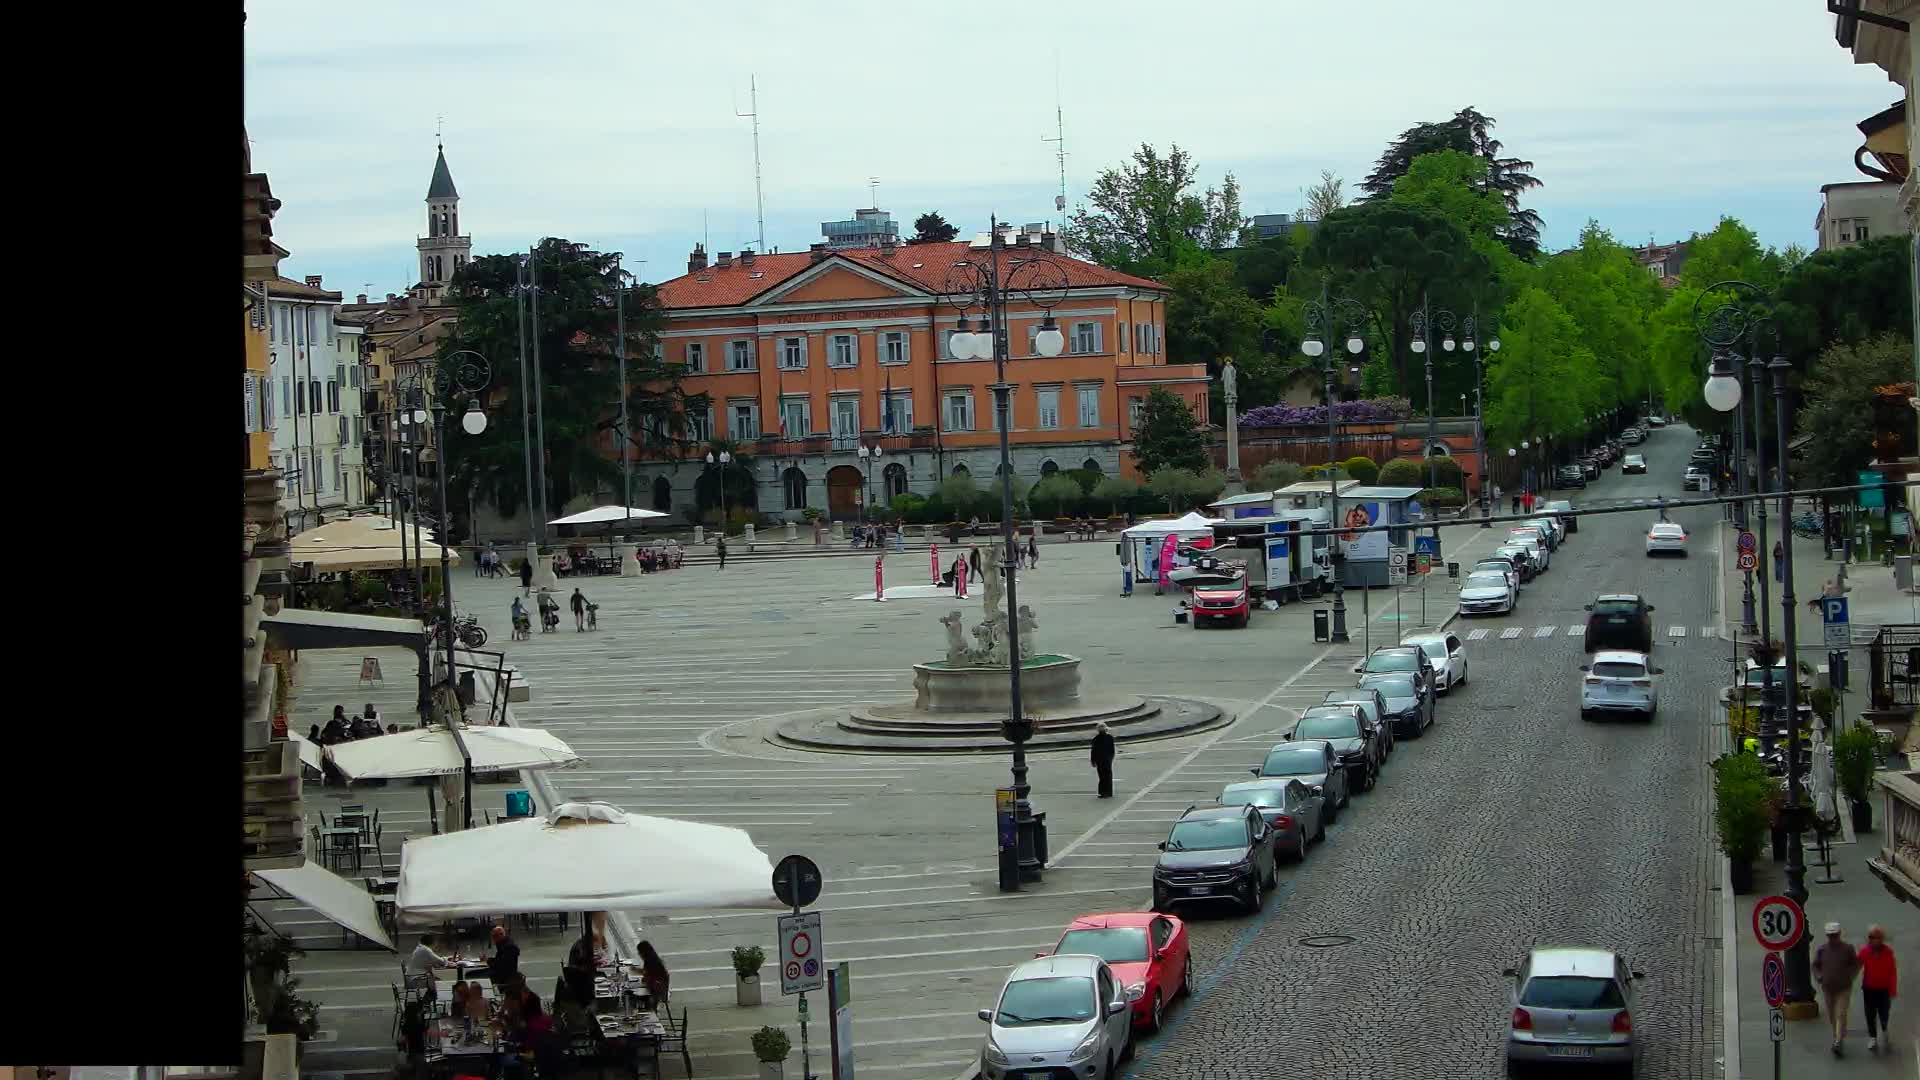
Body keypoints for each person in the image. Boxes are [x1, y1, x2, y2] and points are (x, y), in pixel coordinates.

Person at [1815, 921, 1862, 1055]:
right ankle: (1837, 1036)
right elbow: (1815, 965)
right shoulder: (1822, 950)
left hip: (1844, 988)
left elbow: (1856, 964)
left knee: (1840, 1014)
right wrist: (1819, 976)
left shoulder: (1848, 949)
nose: (1833, 938)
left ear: (1839, 934)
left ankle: (1838, 1041)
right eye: (1830, 935)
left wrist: (1850, 976)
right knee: (1832, 1015)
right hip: (1828, 988)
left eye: (1835, 935)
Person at [1858, 924, 1897, 1054]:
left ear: (1881, 938)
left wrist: (1892, 989)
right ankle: (1873, 1037)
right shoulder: (1865, 951)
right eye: (1871, 937)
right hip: (1869, 988)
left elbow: (1892, 972)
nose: (1873, 939)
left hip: (1884, 989)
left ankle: (1885, 1030)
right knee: (1870, 1014)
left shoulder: (1888, 952)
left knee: (1884, 1013)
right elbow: (1856, 965)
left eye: (1876, 937)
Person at [406, 933, 456, 1002]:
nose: (436, 943)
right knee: (437, 982)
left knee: (435, 980)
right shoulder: (425, 950)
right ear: (431, 942)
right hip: (415, 980)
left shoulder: (420, 948)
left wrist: (447, 959)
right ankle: (427, 1003)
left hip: (413, 977)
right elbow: (439, 961)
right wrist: (448, 962)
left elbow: (435, 959)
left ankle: (427, 1003)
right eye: (435, 941)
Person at [637, 939, 671, 1007]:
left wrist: (638, 972)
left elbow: (648, 976)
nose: (639, 954)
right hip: (656, 987)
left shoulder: (651, 962)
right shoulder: (652, 959)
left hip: (657, 990)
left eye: (639, 952)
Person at [1091, 723, 1117, 798]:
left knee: (1102, 776)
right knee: (1108, 775)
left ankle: (1102, 792)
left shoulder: (1096, 739)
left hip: (1100, 759)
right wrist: (1111, 757)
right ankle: (1108, 792)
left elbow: (1093, 751)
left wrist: (1093, 761)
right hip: (1107, 759)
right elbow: (1112, 750)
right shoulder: (1110, 737)